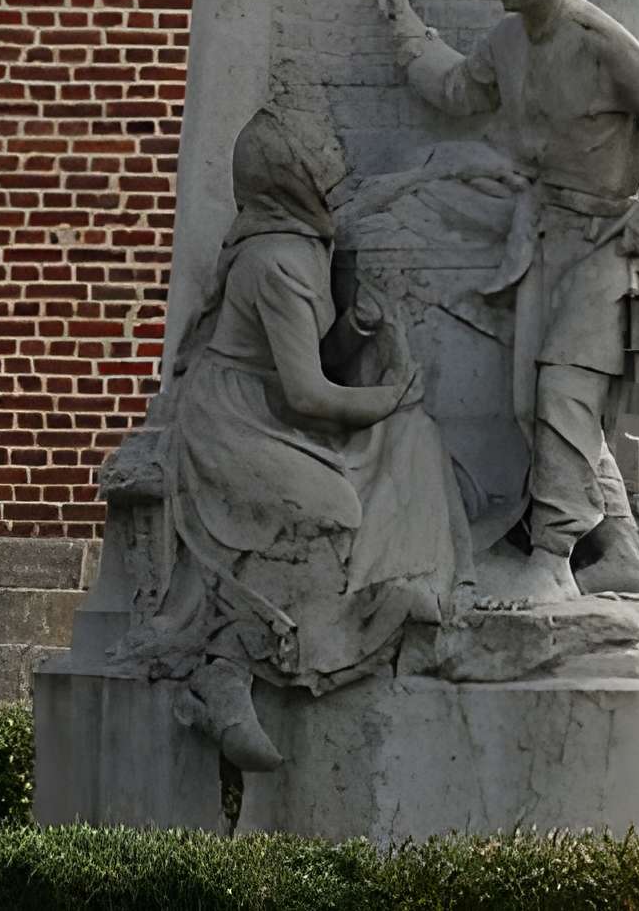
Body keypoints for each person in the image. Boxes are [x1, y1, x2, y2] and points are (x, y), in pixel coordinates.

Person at [367, 0, 639, 603]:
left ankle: (552, 561)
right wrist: (402, 21)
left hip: (601, 245)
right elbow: (458, 92)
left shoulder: (600, 44)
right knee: (540, 404)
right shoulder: (506, 41)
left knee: (562, 394)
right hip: (543, 239)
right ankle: (619, 549)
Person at [107, 102, 468, 772]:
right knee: (326, 512)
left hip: (265, 401)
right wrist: (387, 396)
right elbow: (307, 394)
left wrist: (356, 335)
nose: (332, 167)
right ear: (288, 175)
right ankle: (233, 665)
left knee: (390, 462)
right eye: (318, 157)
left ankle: (288, 644)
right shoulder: (278, 260)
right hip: (232, 420)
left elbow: (303, 355)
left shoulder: (300, 245)